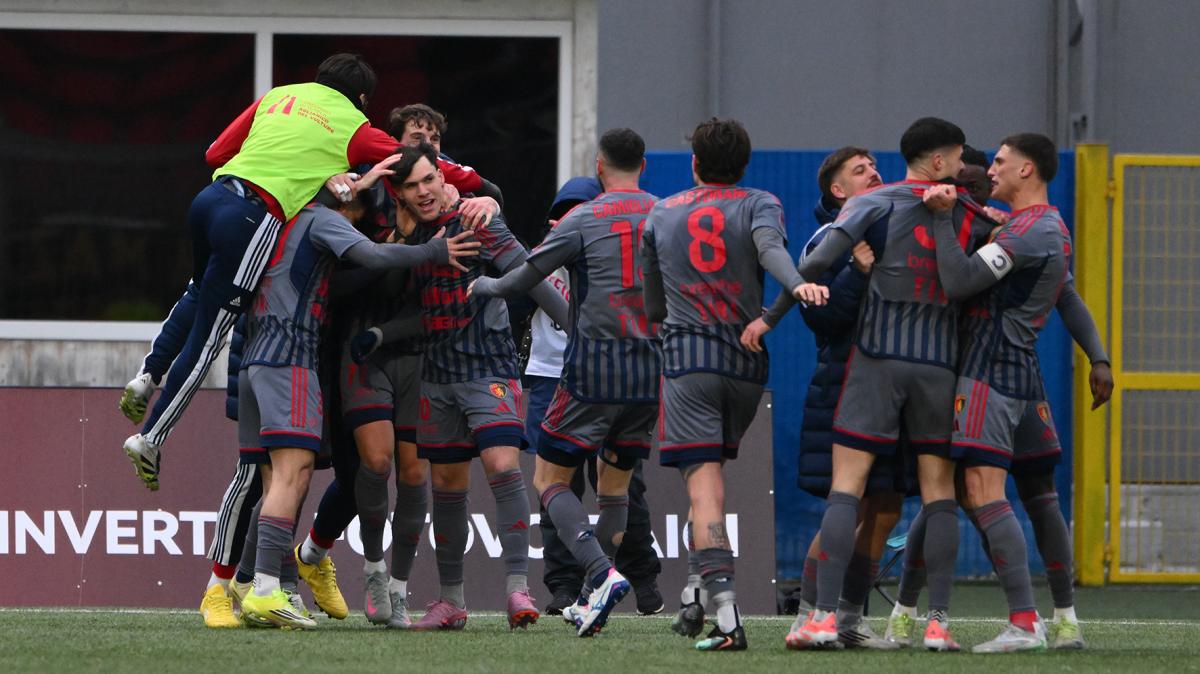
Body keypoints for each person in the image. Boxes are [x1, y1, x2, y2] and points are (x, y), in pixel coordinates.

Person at [119, 54, 489, 490]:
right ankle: (152, 436)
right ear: (362, 98)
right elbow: (413, 165)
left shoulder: (278, 96)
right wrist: (481, 187)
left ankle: (148, 376)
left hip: (212, 197)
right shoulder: (354, 125)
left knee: (198, 292)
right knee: (211, 337)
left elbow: (215, 152)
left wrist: (304, 165)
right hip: (253, 216)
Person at [769, 117, 989, 651]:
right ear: (938, 162)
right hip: (938, 367)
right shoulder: (969, 212)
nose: (964, 169)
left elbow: (810, 266)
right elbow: (983, 269)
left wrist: (767, 316)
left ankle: (824, 618)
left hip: (874, 365)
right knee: (938, 497)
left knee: (850, 490)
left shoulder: (876, 203)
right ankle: (937, 622)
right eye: (959, 159)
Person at [234, 157, 479, 629]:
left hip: (260, 354)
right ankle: (264, 584)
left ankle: (265, 584)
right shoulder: (324, 222)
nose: (358, 210)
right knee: (294, 473)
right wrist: (427, 250)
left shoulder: (277, 222)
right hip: (294, 356)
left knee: (276, 478)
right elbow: (369, 257)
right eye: (353, 198)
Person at [470, 128, 661, 636]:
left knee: (549, 480)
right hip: (649, 373)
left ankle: (599, 573)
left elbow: (521, 277)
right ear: (642, 164)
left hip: (594, 369)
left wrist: (484, 284)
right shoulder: (666, 213)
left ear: (599, 167)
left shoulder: (583, 218)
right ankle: (587, 596)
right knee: (615, 489)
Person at [386, 143, 568, 631]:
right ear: (400, 194)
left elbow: (530, 274)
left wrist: (575, 329)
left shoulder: (478, 219)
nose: (423, 191)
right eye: (411, 186)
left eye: (429, 180)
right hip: (437, 375)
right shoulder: (409, 235)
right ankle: (451, 602)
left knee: (502, 465)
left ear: (443, 178)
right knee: (446, 484)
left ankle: (517, 590)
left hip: (490, 367)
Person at [641, 117, 807, 652]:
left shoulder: (660, 212)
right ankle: (694, 592)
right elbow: (771, 253)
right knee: (710, 482)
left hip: (689, 362)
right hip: (746, 363)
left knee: (703, 486)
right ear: (744, 163)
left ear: (694, 164)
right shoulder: (761, 202)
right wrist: (795, 286)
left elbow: (653, 306)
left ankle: (729, 616)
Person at [920, 133, 1083, 652]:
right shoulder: (1048, 228)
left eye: (999, 163)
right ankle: (1066, 621)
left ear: (1027, 170)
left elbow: (961, 281)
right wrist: (1097, 357)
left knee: (982, 493)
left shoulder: (1027, 233)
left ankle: (1024, 622)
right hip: (1025, 371)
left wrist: (945, 221)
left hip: (991, 370)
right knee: (1042, 498)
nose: (990, 171)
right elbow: (1069, 296)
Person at [759, 147, 905, 649]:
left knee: (885, 506)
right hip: (843, 388)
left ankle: (850, 619)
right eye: (860, 170)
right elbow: (821, 319)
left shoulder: (891, 233)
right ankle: (807, 616)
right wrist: (856, 271)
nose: (875, 173)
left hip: (892, 391)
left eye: (874, 166)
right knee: (851, 503)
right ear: (838, 191)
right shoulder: (826, 242)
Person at [522, 177, 663, 618]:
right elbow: (513, 301)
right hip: (550, 376)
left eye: (580, 209)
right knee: (562, 488)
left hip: (606, 374)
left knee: (621, 486)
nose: (570, 218)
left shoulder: (617, 250)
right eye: (562, 212)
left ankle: (635, 579)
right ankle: (567, 588)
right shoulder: (546, 255)